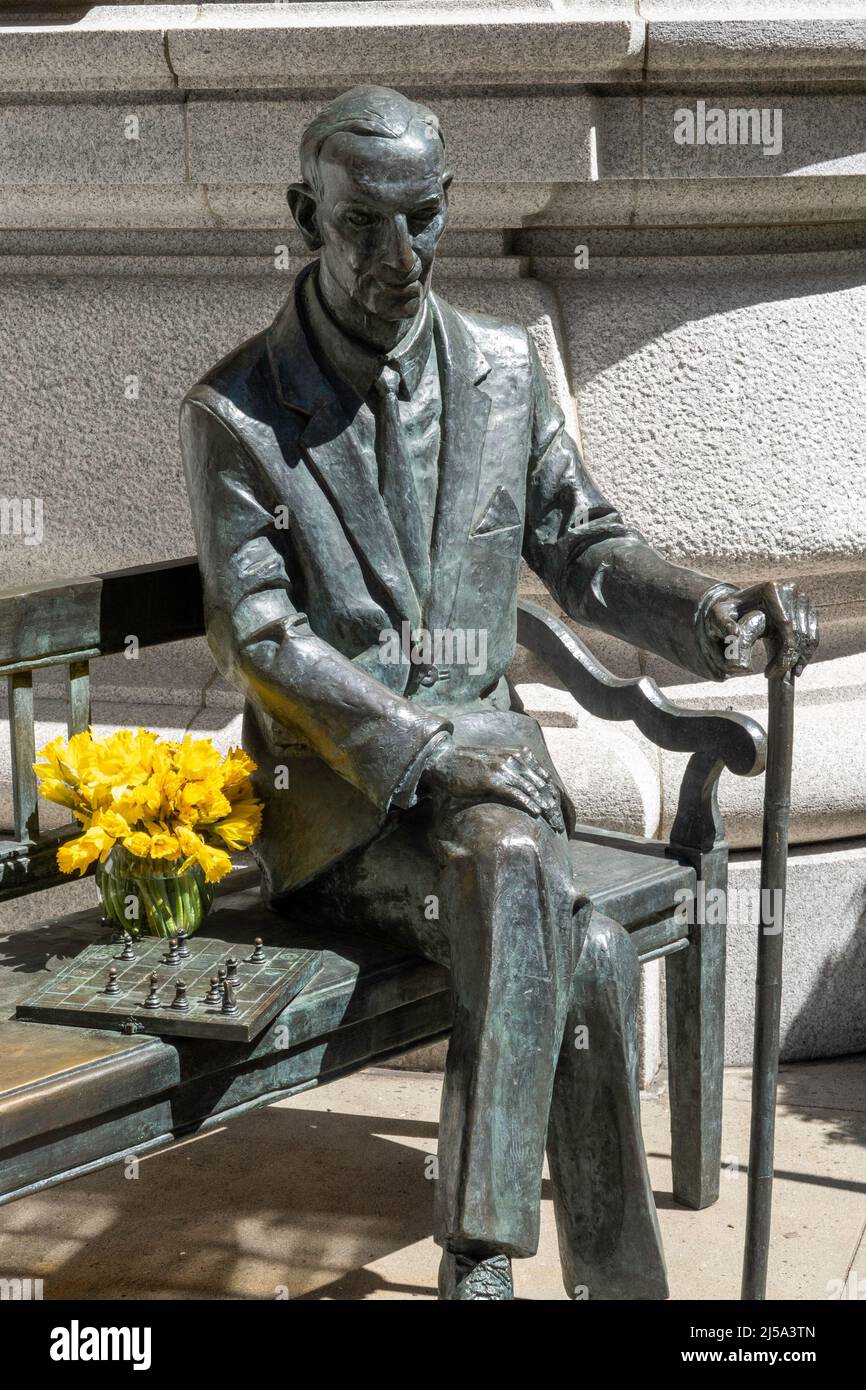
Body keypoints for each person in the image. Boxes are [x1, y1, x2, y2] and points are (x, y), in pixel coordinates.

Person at [180, 85, 817, 1300]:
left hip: (491, 806)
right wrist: (424, 747)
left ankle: (545, 1274)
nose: (399, 257)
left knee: (557, 924)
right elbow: (253, 629)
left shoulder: (501, 369)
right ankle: (502, 1257)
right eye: (364, 225)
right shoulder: (238, 414)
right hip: (343, 807)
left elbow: (580, 543)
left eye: (422, 220)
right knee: (527, 878)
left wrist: (705, 612)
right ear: (303, 214)